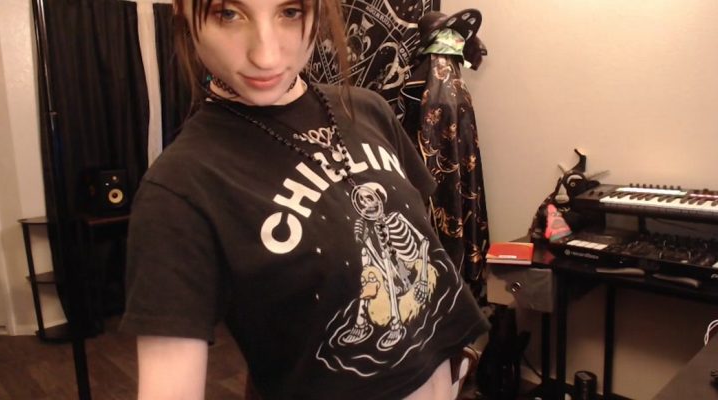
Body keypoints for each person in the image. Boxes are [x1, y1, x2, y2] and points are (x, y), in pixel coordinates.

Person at [120, 0, 490, 399]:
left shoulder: (369, 111)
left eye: (290, 11)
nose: (265, 55)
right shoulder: (179, 189)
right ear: (182, 10)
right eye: (228, 14)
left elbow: (425, 241)